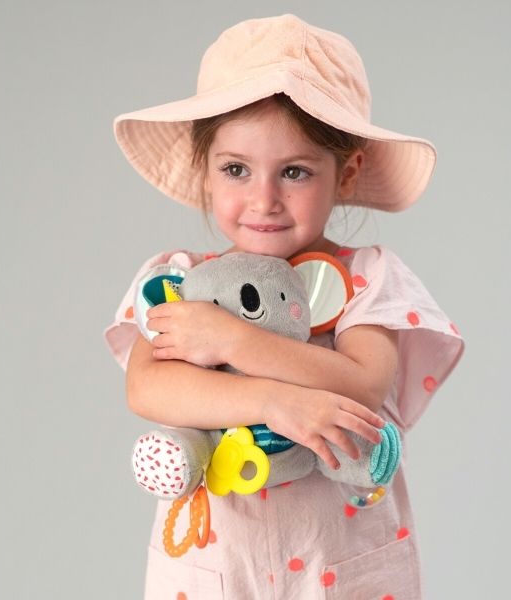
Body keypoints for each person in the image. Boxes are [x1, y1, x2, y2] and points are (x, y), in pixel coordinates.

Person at [104, 14, 465, 600]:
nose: (264, 199)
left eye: (294, 171)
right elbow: (148, 388)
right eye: (236, 169)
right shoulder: (180, 281)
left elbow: (364, 383)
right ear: (205, 171)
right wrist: (275, 403)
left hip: (340, 562)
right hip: (218, 562)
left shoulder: (366, 276)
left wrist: (234, 342)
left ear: (345, 174)